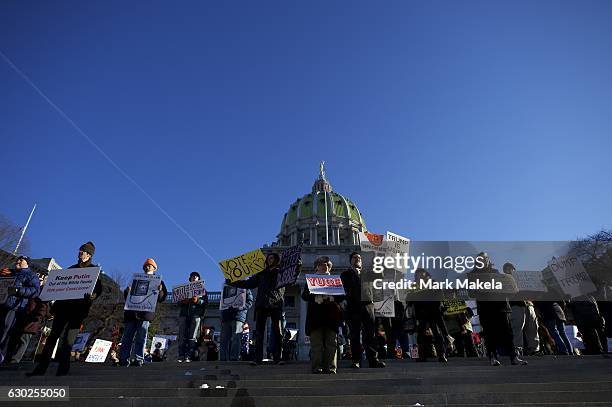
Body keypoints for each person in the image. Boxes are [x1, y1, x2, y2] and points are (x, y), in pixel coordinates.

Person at [28, 242, 103, 376]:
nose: (79, 254)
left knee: (68, 341)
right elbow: (60, 290)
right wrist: (53, 309)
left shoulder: (93, 272)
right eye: (79, 251)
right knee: (52, 338)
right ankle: (40, 369)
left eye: (82, 252)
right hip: (63, 309)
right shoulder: (70, 269)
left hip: (78, 311)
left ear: (89, 255)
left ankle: (62, 370)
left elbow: (98, 290)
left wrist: (91, 296)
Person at [227, 253, 295, 365]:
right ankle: (257, 358)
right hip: (262, 304)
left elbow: (293, 277)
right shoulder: (261, 273)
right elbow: (248, 283)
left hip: (276, 304)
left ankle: (278, 358)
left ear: (276, 260)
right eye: (268, 258)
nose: (269, 260)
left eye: (272, 258)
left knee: (278, 332)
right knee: (259, 333)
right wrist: (233, 282)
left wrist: (297, 264)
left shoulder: (282, 272)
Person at [472, 253, 527, 366]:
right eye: (480, 259)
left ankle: (514, 357)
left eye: (485, 259)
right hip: (486, 309)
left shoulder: (496, 273)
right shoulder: (473, 275)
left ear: (488, 260)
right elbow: (471, 292)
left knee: (507, 332)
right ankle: (493, 357)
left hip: (500, 307)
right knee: (489, 333)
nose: (483, 261)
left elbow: (506, 289)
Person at [119, 258, 167, 366]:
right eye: (145, 266)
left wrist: (160, 291)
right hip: (131, 313)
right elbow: (127, 296)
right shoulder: (135, 280)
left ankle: (138, 358)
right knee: (127, 337)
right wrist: (127, 291)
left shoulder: (158, 281)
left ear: (154, 268)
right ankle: (123, 358)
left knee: (141, 337)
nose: (147, 267)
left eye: (149, 266)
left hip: (145, 314)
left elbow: (161, 298)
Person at [340, 251, 385, 368]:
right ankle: (356, 360)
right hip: (353, 306)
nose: (357, 259)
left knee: (370, 334)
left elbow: (381, 275)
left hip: (367, 305)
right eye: (354, 258)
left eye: (359, 258)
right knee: (354, 334)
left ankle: (373, 359)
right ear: (350, 260)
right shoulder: (345, 274)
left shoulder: (368, 272)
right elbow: (342, 289)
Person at [302, 256, 343, 374]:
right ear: (316, 268)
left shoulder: (336, 280)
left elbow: (341, 297)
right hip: (316, 317)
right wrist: (314, 290)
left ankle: (331, 367)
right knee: (317, 344)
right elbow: (304, 297)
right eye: (321, 264)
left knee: (331, 343)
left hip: (331, 316)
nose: (324, 265)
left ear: (329, 267)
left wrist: (333, 294)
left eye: (326, 264)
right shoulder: (310, 281)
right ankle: (317, 366)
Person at [0, 256, 40, 363]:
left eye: (21, 260)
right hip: (2, 305)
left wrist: (18, 290)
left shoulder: (31, 275)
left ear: (27, 263)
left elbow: (35, 291)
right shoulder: (10, 273)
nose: (18, 261)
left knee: (5, 332)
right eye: (17, 259)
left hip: (14, 308)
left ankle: (1, 356)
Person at [5, 271, 50, 364]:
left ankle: (15, 359)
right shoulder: (32, 288)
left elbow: (43, 306)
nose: (40, 279)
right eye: (39, 277)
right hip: (23, 316)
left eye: (42, 277)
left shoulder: (43, 291)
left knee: (23, 340)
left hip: (32, 319)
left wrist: (38, 316)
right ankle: (9, 357)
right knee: (15, 338)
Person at [502, 263, 540, 356]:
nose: (510, 270)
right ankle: (517, 349)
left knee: (533, 327)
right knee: (517, 328)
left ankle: (534, 349)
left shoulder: (523, 279)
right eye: (508, 269)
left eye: (512, 268)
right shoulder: (504, 281)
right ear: (505, 271)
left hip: (529, 305)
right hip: (516, 305)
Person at [411, 268, 448, 363]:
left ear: (426, 275)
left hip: (433, 313)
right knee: (421, 335)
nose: (420, 277)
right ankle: (422, 356)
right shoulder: (415, 286)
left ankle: (442, 354)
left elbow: (439, 297)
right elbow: (411, 300)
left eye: (421, 275)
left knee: (437, 334)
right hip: (421, 314)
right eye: (417, 276)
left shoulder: (434, 283)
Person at [177, 271, 207, 362]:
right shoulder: (184, 289)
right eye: (193, 276)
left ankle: (189, 356)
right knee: (182, 336)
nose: (194, 277)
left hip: (195, 315)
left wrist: (197, 300)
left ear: (199, 279)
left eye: (196, 276)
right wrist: (182, 301)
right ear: (190, 279)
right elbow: (178, 302)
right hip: (184, 315)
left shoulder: (203, 291)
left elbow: (205, 303)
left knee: (192, 336)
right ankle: (181, 355)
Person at [220, 285, 253, 361]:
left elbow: (250, 301)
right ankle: (223, 358)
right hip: (226, 316)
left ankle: (234, 358)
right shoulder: (226, 288)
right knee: (224, 339)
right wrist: (222, 316)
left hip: (238, 316)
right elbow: (222, 302)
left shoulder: (244, 287)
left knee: (236, 338)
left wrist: (240, 307)